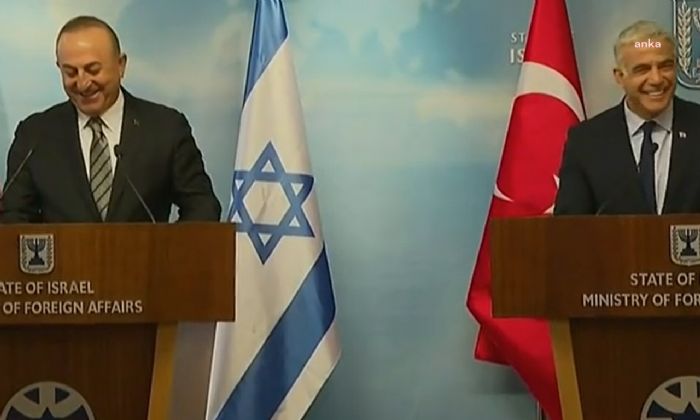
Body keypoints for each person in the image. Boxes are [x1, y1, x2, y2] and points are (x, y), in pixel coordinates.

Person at [0, 15, 221, 223]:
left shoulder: (166, 128)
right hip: (63, 254)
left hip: (149, 253)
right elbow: (14, 217)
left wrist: (167, 248)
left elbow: (203, 207)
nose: (83, 83)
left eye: (93, 70)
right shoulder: (35, 135)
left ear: (120, 65)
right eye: (71, 73)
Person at [554, 20, 700, 215]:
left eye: (665, 66)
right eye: (642, 69)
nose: (656, 79)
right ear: (619, 77)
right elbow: (569, 225)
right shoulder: (586, 141)